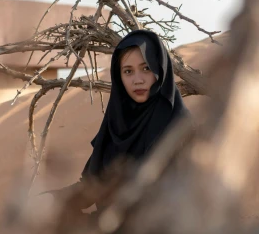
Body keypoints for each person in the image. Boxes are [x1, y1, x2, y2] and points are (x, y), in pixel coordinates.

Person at [47, 29, 190, 212]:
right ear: (119, 76)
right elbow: (91, 188)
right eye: (128, 71)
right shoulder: (116, 124)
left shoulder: (181, 127)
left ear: (160, 69)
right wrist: (51, 199)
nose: (137, 80)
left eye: (146, 68)